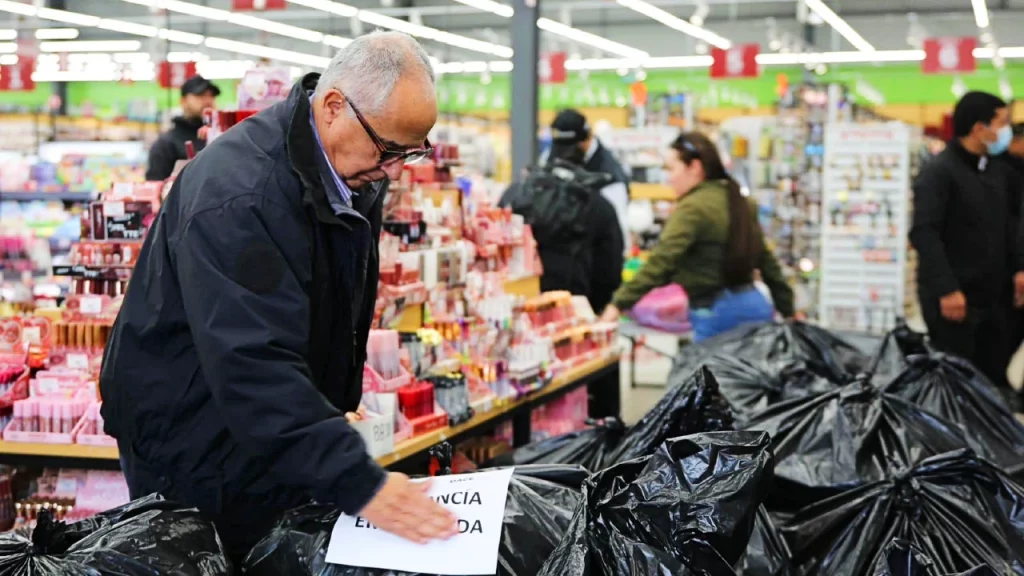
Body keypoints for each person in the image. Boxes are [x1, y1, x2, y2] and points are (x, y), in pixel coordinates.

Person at [100, 32, 457, 560]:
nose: (397, 169)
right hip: (196, 442)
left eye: (413, 151)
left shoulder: (351, 170)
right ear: (334, 106)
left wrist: (332, 406)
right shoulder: (240, 195)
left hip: (266, 435)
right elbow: (252, 360)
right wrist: (359, 481)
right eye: (389, 149)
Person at [598, 132, 795, 341]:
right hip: (755, 305)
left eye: (672, 168)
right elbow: (766, 261)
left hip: (716, 314)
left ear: (695, 168)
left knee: (709, 373)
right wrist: (789, 310)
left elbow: (661, 261)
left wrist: (617, 305)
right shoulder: (739, 200)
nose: (668, 177)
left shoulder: (693, 208)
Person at [909, 91, 1024, 402]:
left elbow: (1009, 227)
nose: (1006, 131)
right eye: (1002, 123)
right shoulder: (939, 173)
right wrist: (946, 289)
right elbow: (924, 233)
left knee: (986, 380)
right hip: (954, 300)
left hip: (993, 296)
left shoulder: (997, 172)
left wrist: (1018, 269)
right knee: (955, 385)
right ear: (978, 128)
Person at [499, 160, 624, 314]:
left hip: (517, 309)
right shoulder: (598, 204)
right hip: (575, 311)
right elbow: (610, 272)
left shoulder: (514, 194)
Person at [548, 109, 631, 248]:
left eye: (572, 149)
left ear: (587, 139)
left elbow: (616, 236)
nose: (564, 157)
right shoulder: (552, 157)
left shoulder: (610, 178)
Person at [145, 75, 221, 181]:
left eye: (211, 96)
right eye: (200, 95)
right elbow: (155, 186)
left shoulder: (220, 136)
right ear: (183, 101)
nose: (208, 101)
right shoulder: (166, 144)